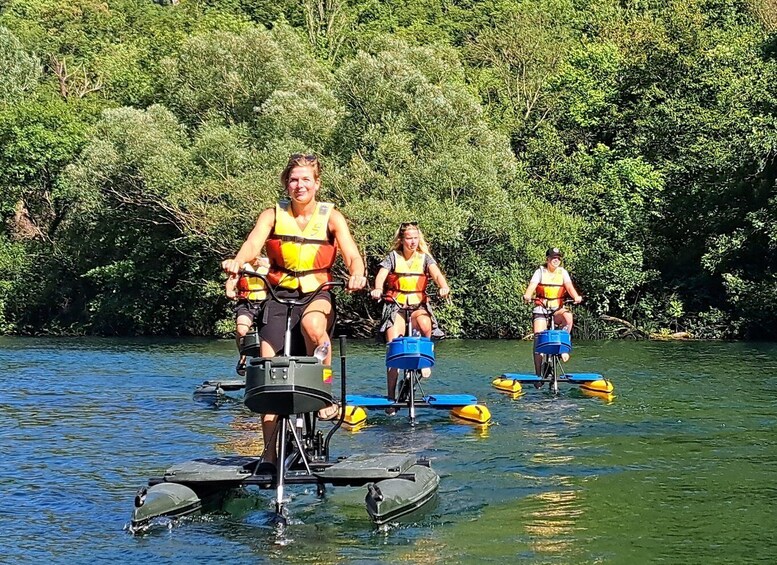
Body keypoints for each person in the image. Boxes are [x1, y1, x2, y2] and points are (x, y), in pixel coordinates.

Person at [222, 153, 367, 472]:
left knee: (315, 327)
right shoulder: (271, 215)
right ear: (285, 184)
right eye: (293, 180)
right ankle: (270, 455)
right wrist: (237, 263)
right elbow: (251, 245)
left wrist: (357, 272)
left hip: (317, 294)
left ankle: (324, 393)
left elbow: (353, 256)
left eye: (305, 179)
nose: (299, 185)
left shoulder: (332, 218)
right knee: (269, 375)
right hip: (278, 295)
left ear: (317, 183)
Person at [370, 222, 450, 414]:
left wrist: (443, 286)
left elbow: (437, 275)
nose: (412, 242)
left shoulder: (425, 258)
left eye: (415, 238)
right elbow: (381, 275)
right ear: (402, 240)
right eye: (408, 238)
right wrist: (378, 288)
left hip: (417, 306)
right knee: (393, 343)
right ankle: (391, 395)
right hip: (396, 306)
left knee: (425, 323)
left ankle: (424, 361)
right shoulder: (392, 257)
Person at [523, 247, 582, 376]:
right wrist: (527, 295)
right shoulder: (540, 272)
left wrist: (576, 297)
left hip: (557, 309)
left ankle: (563, 349)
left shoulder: (563, 272)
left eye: (558, 258)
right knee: (539, 337)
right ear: (547, 259)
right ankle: (539, 373)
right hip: (541, 308)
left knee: (568, 318)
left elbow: (569, 287)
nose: (556, 260)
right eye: (553, 258)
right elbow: (532, 286)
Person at [225, 256, 270, 376]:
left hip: (266, 303)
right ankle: (243, 358)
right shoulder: (241, 265)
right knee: (241, 330)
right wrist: (229, 290)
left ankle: (267, 363)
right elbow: (232, 280)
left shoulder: (268, 263)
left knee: (269, 334)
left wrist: (266, 267)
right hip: (246, 303)